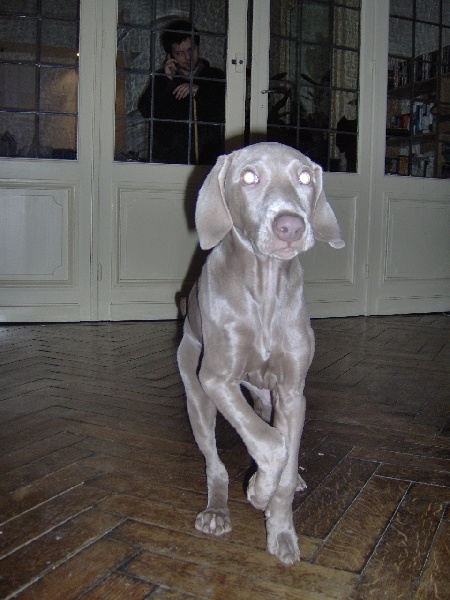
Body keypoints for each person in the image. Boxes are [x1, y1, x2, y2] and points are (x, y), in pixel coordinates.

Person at [138, 20, 226, 165]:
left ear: (198, 47)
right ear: (170, 55)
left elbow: (226, 111)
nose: (187, 57)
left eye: (191, 50)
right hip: (169, 162)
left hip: (207, 162)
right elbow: (146, 110)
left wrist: (199, 91)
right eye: (180, 53)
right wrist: (166, 80)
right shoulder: (163, 78)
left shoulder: (216, 77)